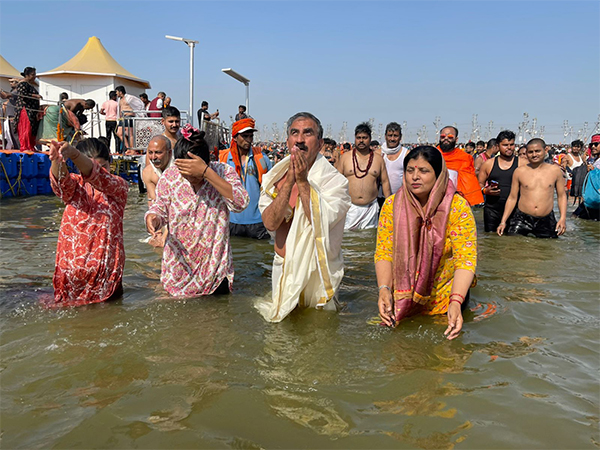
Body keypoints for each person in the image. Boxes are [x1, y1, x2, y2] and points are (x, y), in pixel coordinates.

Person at [375, 146, 477, 340]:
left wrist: (456, 302)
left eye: (424, 171)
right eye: (410, 170)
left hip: (446, 298)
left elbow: (465, 259)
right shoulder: (391, 206)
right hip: (403, 295)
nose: (415, 177)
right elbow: (384, 252)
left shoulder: (456, 207)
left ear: (438, 175)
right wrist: (384, 289)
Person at [258, 112, 350, 322]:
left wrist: (302, 182)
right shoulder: (275, 178)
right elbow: (270, 223)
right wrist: (290, 180)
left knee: (319, 336)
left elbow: (324, 222)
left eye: (307, 133)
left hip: (316, 274)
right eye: (294, 133)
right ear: (288, 141)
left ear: (319, 143)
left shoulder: (335, 182)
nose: (300, 139)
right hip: (282, 268)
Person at [145, 125, 249, 297]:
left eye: (195, 174)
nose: (190, 178)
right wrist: (153, 217)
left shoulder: (222, 172)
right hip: (179, 267)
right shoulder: (170, 177)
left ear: (207, 163)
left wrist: (207, 174)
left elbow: (241, 203)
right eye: (184, 172)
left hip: (215, 271)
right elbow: (160, 207)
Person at [47, 138, 128, 307]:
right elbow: (60, 183)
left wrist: (75, 154)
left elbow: (97, 176)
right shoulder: (75, 187)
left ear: (110, 163)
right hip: (69, 276)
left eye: (103, 166)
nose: (92, 178)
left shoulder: (118, 188)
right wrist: (57, 159)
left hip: (105, 278)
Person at [497, 138, 567, 238]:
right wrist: (503, 221)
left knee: (548, 250)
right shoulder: (519, 171)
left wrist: (562, 218)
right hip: (521, 218)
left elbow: (561, 196)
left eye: (537, 151)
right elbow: (512, 198)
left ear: (545, 150)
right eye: (530, 152)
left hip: (546, 218)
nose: (534, 155)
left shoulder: (555, 170)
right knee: (513, 247)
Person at [220, 118, 272, 239]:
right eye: (244, 136)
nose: (248, 140)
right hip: (231, 221)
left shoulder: (261, 158)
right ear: (235, 137)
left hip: (258, 221)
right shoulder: (224, 159)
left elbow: (272, 186)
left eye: (250, 136)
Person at [339, 122, 391, 230]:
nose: (361, 140)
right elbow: (337, 181)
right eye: (358, 138)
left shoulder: (378, 159)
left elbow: (385, 182)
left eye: (364, 137)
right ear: (355, 138)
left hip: (370, 209)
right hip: (350, 208)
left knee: (369, 240)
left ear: (370, 138)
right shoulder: (345, 158)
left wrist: (389, 205)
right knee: (349, 242)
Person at [478, 130, 519, 232]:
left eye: (512, 144)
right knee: (491, 240)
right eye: (505, 145)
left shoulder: (522, 163)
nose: (509, 148)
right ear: (497, 146)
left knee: (514, 242)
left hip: (515, 210)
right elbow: (479, 183)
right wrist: (484, 191)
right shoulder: (488, 164)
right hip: (492, 210)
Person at [437, 126, 484, 206]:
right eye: (443, 136)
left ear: (456, 139)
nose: (446, 138)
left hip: (457, 200)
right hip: (435, 199)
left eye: (450, 137)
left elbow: (469, 181)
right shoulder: (432, 155)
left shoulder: (465, 158)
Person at [13, 67, 42, 150]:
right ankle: (25, 147)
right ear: (27, 75)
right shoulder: (22, 84)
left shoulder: (30, 84)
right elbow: (23, 94)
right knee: (26, 128)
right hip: (25, 109)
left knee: (31, 129)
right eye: (33, 75)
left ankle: (30, 146)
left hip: (31, 110)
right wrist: (35, 96)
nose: (34, 76)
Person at [142, 135, 173, 205]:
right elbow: (154, 200)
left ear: (170, 153)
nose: (153, 157)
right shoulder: (147, 173)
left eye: (158, 152)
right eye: (150, 153)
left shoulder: (180, 168)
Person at [381, 122, 409, 195]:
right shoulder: (379, 154)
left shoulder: (406, 154)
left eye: (395, 136)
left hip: (399, 197)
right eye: (390, 136)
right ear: (385, 136)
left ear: (400, 137)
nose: (392, 139)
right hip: (380, 197)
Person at [115, 85, 145, 152]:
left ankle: (132, 149)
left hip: (129, 117)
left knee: (130, 134)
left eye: (117, 92)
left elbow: (139, 103)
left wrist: (134, 112)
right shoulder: (119, 99)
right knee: (119, 133)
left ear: (120, 92)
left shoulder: (129, 98)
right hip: (122, 118)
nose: (116, 94)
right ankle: (128, 147)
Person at [566, 139, 586, 205]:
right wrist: (568, 172)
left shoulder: (582, 157)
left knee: (580, 202)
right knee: (571, 203)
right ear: (571, 147)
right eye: (574, 146)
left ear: (580, 148)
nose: (576, 148)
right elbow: (561, 168)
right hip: (570, 183)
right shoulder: (567, 157)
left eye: (578, 147)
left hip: (580, 183)